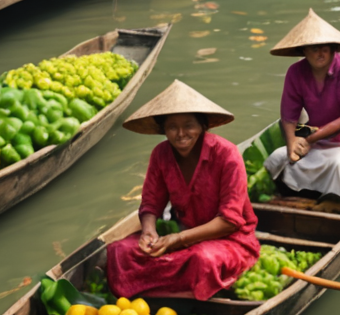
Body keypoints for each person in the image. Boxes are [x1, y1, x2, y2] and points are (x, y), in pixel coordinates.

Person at [104, 81, 261, 300]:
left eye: (188, 125)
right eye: (172, 127)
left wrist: (177, 239)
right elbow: (150, 204)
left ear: (202, 126)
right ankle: (179, 288)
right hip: (182, 234)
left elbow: (229, 221)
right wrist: (149, 230)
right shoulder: (160, 154)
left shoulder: (227, 154)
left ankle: (164, 291)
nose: (180, 134)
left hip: (230, 240)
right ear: (163, 130)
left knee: (203, 260)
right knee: (119, 251)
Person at [263, 10, 340, 201]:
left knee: (338, 165)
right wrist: (291, 144)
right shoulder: (296, 72)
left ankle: (339, 201)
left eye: (324, 48)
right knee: (277, 158)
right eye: (314, 49)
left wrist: (309, 140)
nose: (320, 53)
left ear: (333, 48)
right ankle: (293, 195)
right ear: (304, 50)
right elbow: (289, 115)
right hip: (318, 144)